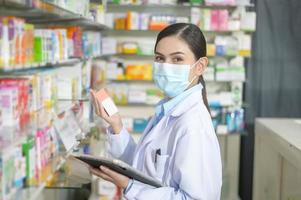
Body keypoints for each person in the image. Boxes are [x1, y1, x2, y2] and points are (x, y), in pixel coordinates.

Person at [90, 23, 222, 200]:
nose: (166, 66)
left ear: (200, 66)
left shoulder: (193, 125)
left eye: (177, 59)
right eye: (160, 58)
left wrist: (129, 186)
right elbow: (144, 167)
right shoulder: (167, 108)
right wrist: (117, 125)